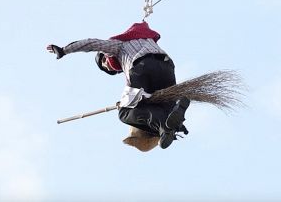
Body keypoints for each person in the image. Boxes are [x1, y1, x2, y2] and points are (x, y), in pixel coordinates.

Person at [47, 22, 190, 149]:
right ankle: (174, 122)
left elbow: (92, 43)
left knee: (125, 113)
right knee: (165, 103)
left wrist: (64, 50)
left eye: (104, 64)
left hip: (142, 67)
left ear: (105, 56)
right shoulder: (148, 40)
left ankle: (164, 126)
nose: (108, 68)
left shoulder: (119, 45)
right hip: (167, 67)